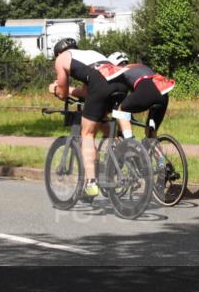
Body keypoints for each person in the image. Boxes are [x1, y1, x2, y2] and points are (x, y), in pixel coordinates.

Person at [48, 38, 126, 197]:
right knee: (100, 122)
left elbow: (62, 93)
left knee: (87, 134)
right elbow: (86, 92)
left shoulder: (61, 59)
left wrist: (55, 89)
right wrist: (71, 90)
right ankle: (126, 153)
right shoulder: (91, 54)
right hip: (120, 83)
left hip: (100, 84)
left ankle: (90, 183)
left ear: (58, 53)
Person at [102, 52, 174, 140]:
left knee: (121, 110)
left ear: (114, 65)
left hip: (147, 89)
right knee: (150, 134)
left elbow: (121, 94)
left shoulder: (121, 71)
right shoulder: (139, 66)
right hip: (163, 92)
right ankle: (156, 147)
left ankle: (129, 141)